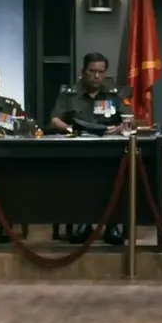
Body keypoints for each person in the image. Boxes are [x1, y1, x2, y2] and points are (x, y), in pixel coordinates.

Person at [48, 53, 127, 245]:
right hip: (79, 150)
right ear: (83, 71)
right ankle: (84, 223)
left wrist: (120, 128)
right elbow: (54, 120)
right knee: (82, 178)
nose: (97, 76)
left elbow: (129, 119)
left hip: (110, 150)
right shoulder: (70, 94)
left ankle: (112, 225)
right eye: (92, 71)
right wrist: (70, 129)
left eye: (101, 72)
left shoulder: (113, 93)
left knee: (117, 178)